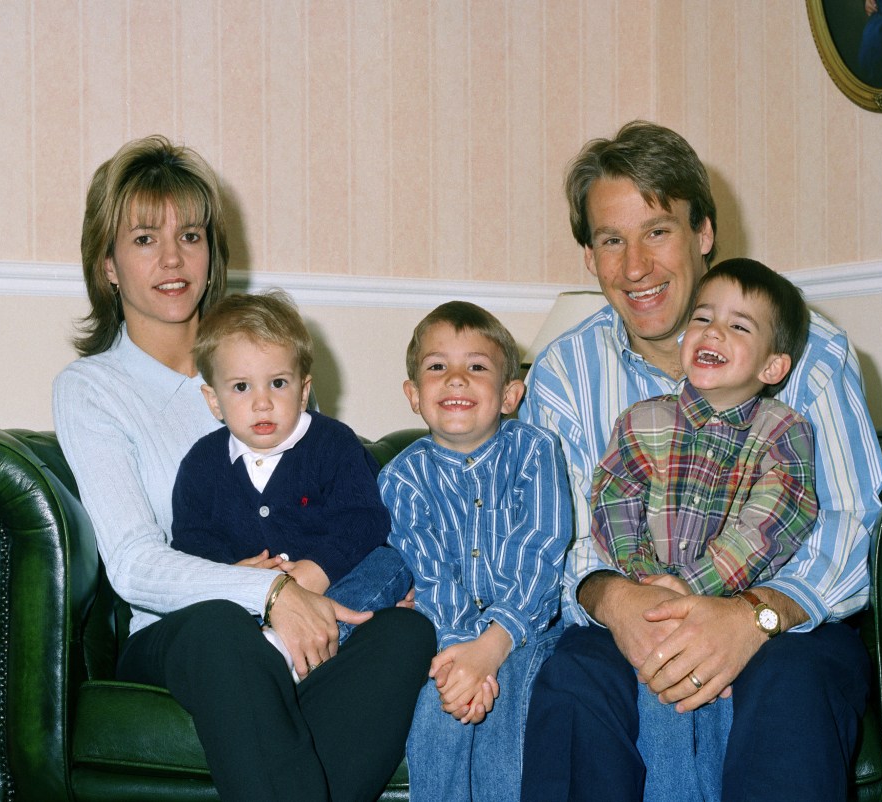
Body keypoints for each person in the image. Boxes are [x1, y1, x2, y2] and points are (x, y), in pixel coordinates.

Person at [52, 134, 435, 802]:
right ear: (107, 263)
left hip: (314, 616)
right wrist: (270, 594)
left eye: (191, 236)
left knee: (406, 633)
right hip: (183, 635)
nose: (172, 258)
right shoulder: (93, 388)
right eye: (144, 239)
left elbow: (348, 511)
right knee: (221, 630)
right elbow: (135, 564)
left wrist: (360, 583)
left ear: (212, 252)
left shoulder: (268, 375)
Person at [519, 120, 882, 801]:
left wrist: (756, 615)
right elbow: (554, 532)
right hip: (622, 607)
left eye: (656, 230)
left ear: (704, 234)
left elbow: (850, 518)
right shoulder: (565, 373)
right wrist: (617, 599)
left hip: (785, 623)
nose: (635, 267)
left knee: (793, 690)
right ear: (590, 256)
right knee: (572, 686)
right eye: (610, 240)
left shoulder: (813, 353)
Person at [588, 258, 817, 800]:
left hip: (726, 616)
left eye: (738, 326)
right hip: (652, 606)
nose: (713, 332)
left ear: (772, 367)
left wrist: (692, 587)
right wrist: (647, 585)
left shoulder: (784, 432)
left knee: (715, 708)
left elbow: (773, 522)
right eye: (703, 318)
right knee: (655, 705)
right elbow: (612, 501)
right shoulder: (640, 420)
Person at [379, 301, 571, 802]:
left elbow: (541, 551)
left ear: (510, 396)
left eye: (477, 367)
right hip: (446, 632)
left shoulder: (535, 450)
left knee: (507, 701)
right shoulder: (400, 477)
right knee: (438, 706)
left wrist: (492, 646)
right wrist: (464, 655)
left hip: (530, 628)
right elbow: (428, 572)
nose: (456, 379)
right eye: (437, 366)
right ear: (414, 395)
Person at [170, 289, 412, 681]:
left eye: (278, 383)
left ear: (303, 390)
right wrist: (237, 575)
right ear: (214, 401)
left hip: (336, 587)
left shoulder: (334, 444)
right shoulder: (201, 464)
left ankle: (301, 653)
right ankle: (269, 650)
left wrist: (318, 570)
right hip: (251, 608)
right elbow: (190, 541)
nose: (262, 402)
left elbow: (366, 519)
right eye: (242, 387)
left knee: (392, 561)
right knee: (209, 610)